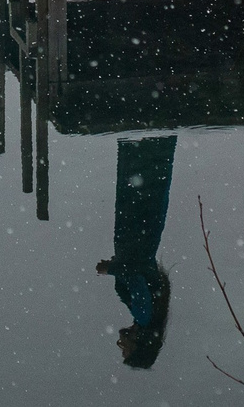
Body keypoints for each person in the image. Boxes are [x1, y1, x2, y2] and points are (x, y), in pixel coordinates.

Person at [96, 134, 176, 368]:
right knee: (138, 181)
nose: (121, 344)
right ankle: (141, 139)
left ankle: (151, 141)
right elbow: (136, 273)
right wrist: (111, 269)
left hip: (144, 234)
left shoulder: (151, 315)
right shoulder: (143, 315)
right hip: (136, 234)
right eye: (126, 350)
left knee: (151, 183)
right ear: (138, 346)